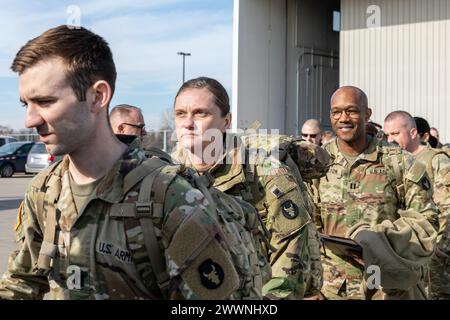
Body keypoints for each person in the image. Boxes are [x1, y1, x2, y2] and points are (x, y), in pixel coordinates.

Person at [0, 25, 248, 300]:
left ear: (97, 97)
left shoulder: (170, 197)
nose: (30, 120)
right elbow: (22, 282)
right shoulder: (44, 190)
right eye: (26, 104)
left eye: (45, 101)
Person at [171, 76, 323, 300]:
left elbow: (291, 259)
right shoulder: (168, 176)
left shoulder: (265, 172)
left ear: (226, 121)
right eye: (180, 113)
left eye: (200, 113)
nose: (187, 123)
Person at [317, 86, 438, 300]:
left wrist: (378, 240)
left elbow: (426, 221)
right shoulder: (316, 164)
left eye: (351, 111)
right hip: (332, 287)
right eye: (336, 112)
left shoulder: (399, 162)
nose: (343, 118)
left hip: (384, 286)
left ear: (367, 114)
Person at [384, 112, 450, 299]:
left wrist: (436, 248)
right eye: (387, 134)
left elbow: (446, 209)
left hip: (431, 252)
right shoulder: (392, 162)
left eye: (395, 134)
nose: (390, 140)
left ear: (413, 132)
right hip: (402, 251)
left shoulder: (436, 160)